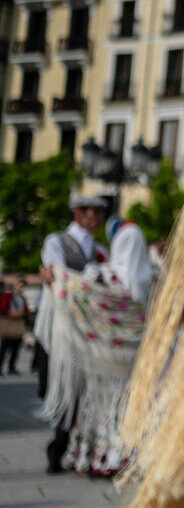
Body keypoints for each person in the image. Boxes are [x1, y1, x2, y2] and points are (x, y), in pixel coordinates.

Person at [37, 194, 108, 473]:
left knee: (77, 386)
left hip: (84, 326)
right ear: (78, 213)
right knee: (53, 383)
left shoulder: (100, 248)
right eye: (94, 211)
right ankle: (60, 444)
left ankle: (62, 448)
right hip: (57, 323)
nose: (99, 217)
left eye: (101, 212)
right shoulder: (57, 241)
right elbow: (58, 274)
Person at [0, 279, 28, 374]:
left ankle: (11, 367)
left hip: (17, 325)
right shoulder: (8, 296)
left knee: (15, 348)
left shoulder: (22, 298)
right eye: (20, 286)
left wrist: (22, 314)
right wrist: (12, 314)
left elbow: (26, 310)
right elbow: (3, 309)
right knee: (4, 348)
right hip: (9, 324)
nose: (21, 288)